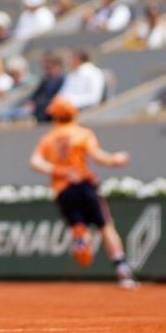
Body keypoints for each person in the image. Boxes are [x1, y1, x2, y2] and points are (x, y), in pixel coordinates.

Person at [29, 97, 137, 289]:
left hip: (63, 189)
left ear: (54, 116)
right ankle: (122, 269)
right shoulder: (82, 133)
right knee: (105, 226)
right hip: (84, 184)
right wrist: (116, 159)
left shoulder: (48, 138)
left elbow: (35, 162)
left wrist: (59, 171)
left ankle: (82, 241)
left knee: (78, 224)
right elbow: (99, 157)